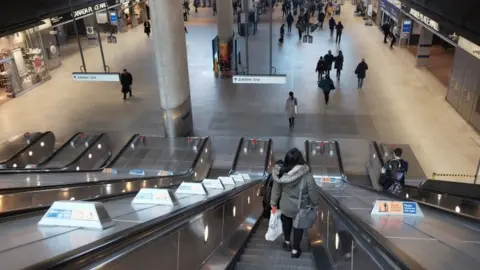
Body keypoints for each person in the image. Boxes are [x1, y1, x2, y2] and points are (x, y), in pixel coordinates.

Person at [270, 148, 319, 258]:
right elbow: (313, 194)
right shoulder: (307, 176)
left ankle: (287, 242)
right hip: (301, 207)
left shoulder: (281, 174)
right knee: (298, 227)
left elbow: (276, 190)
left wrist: (273, 203)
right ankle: (295, 250)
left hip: (285, 205)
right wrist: (315, 203)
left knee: (286, 222)